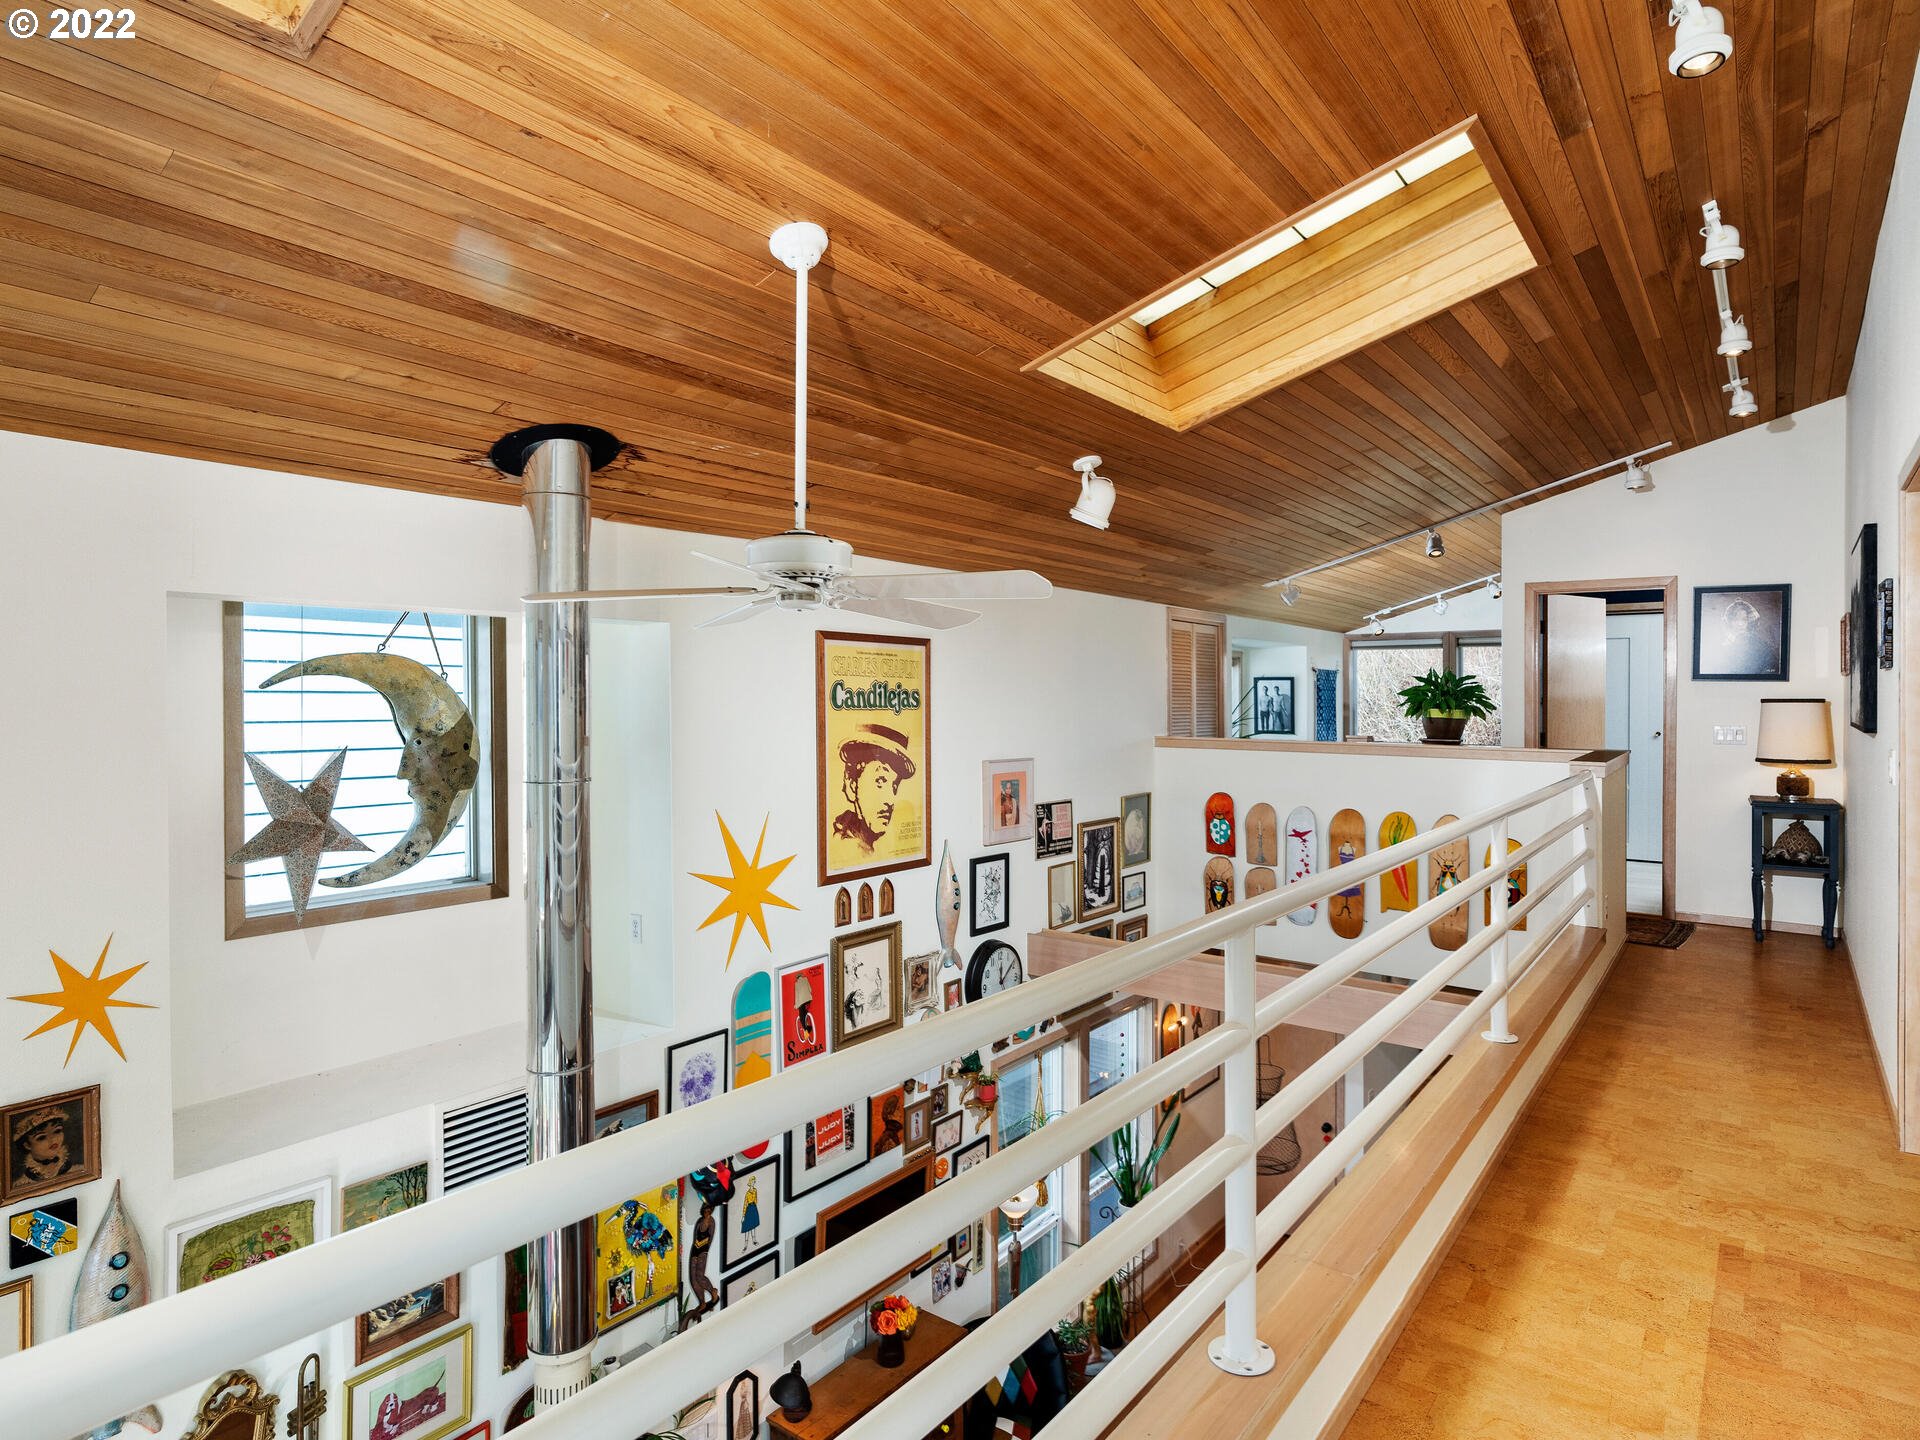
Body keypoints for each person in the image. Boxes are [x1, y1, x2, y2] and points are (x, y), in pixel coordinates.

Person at [832, 724, 916, 853]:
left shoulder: (871, 850)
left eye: (894, 786)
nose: (890, 800)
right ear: (851, 784)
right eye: (880, 781)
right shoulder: (842, 849)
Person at [10, 1105, 76, 1190]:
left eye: (57, 1131)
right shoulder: (20, 1186)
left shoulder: (78, 1170)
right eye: (41, 1137)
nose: (53, 1139)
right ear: (27, 1145)